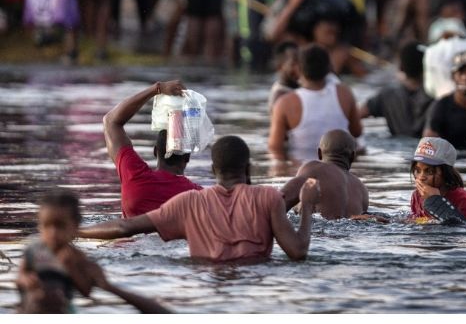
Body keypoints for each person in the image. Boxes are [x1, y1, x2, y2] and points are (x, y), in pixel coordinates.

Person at [78, 136, 320, 263]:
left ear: (214, 170)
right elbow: (298, 252)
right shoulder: (268, 198)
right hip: (255, 283)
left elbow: (123, 227)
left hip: (202, 283)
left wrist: (75, 232)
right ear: (248, 169)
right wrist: (307, 205)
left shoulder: (189, 202)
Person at [16, 189, 170, 313]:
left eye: (60, 226)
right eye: (47, 226)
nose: (53, 233)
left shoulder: (76, 257)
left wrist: (72, 269)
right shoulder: (34, 249)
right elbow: (20, 277)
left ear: (76, 227)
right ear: (39, 226)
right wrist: (26, 280)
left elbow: (86, 291)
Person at [103, 79, 202, 218]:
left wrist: (157, 89)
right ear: (187, 157)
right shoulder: (199, 197)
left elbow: (110, 121)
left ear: (156, 152)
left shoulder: (135, 177)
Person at [269, 44, 362, 164]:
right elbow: (357, 132)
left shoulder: (284, 103)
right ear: (329, 68)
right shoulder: (345, 93)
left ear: (299, 69)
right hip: (340, 168)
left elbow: (275, 148)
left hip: (301, 170)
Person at [281, 130, 369, 220]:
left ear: (319, 153)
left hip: (319, 230)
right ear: (352, 157)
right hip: (350, 231)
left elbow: (283, 199)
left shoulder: (314, 169)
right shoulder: (362, 189)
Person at [359, 41, 433, 138]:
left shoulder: (387, 94)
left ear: (401, 67)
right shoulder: (435, 95)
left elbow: (355, 115)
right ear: (426, 67)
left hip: (396, 147)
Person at [409, 137, 466, 224]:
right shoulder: (416, 196)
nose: (421, 177)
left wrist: (435, 201)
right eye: (417, 170)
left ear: (445, 172)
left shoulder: (463, 199)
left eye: (429, 171)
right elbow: (417, 220)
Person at [268, 41, 300, 112]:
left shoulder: (298, 87)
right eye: (293, 64)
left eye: (300, 62)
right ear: (279, 67)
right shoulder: (280, 97)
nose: (299, 68)